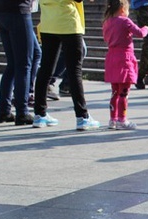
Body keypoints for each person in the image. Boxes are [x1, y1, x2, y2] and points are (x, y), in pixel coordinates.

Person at [32, 0, 101, 131]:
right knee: (74, 71)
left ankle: (39, 114)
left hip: (48, 22)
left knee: (45, 69)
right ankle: (82, 116)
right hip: (68, 22)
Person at [103, 0, 148, 130]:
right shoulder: (125, 21)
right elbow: (140, 33)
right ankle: (122, 120)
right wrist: (147, 28)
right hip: (124, 58)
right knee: (124, 92)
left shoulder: (107, 22)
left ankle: (113, 119)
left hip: (112, 57)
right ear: (123, 9)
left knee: (115, 92)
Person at [0, 0, 36, 125]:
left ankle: (4, 110)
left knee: (12, 64)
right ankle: (22, 112)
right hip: (18, 10)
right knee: (24, 64)